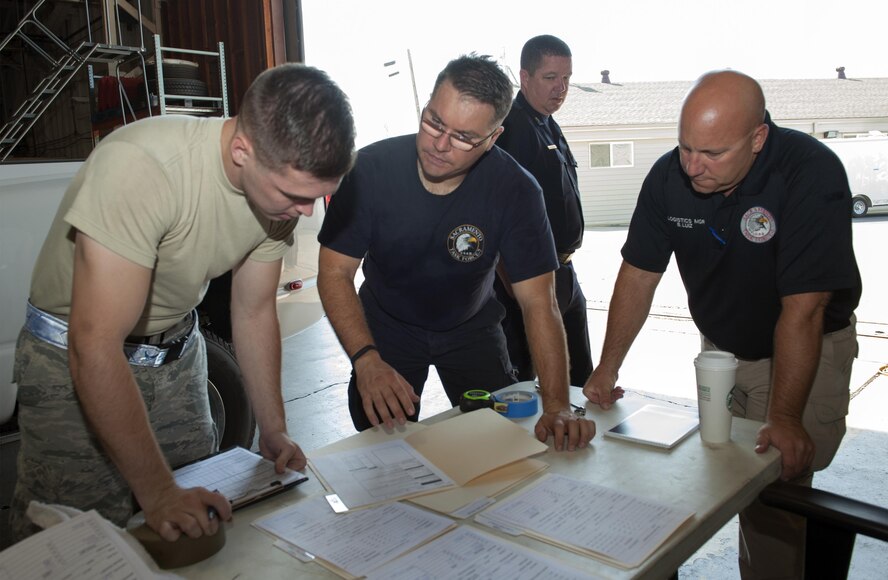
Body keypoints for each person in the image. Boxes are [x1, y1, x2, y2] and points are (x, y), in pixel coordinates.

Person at [9, 63, 356, 543]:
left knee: (196, 523)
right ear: (242, 151)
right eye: (296, 196)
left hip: (176, 356)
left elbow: (254, 311)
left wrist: (274, 429)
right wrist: (157, 491)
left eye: (319, 197)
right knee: (73, 539)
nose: (306, 212)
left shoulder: (277, 198)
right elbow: (94, 343)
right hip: (73, 359)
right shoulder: (142, 168)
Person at [583, 70, 861, 578]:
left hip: (805, 347)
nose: (693, 166)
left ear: (758, 138)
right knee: (730, 474)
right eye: (686, 147)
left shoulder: (809, 172)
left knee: (779, 486)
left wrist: (787, 417)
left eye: (712, 154)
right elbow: (640, 274)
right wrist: (606, 367)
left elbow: (804, 308)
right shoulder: (670, 176)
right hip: (723, 351)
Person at [317, 54, 594, 451]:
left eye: (464, 138)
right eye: (434, 122)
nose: (440, 145)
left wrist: (557, 405)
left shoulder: (515, 190)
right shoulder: (370, 172)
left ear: (493, 138)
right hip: (387, 327)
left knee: (500, 445)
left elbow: (538, 302)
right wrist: (365, 359)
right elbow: (334, 272)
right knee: (381, 452)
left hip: (472, 327)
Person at [494, 34, 593, 387]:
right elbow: (498, 215)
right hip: (528, 281)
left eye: (566, 78)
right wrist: (520, 293)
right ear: (525, 77)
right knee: (526, 388)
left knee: (581, 381)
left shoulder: (546, 122)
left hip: (564, 272)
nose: (561, 88)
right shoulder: (512, 128)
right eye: (550, 78)